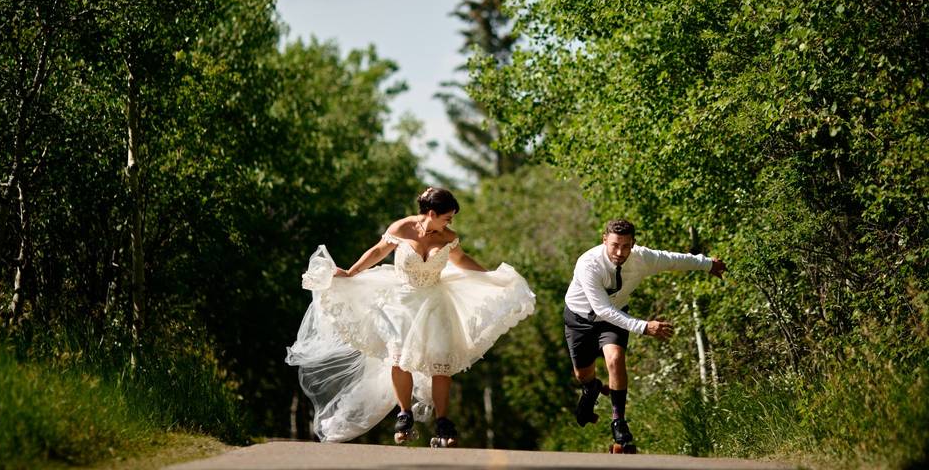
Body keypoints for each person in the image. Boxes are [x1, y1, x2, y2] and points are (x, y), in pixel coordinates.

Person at [286, 187, 535, 446]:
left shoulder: (449, 236)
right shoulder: (402, 229)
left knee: (441, 362)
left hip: (436, 303)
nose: (450, 222)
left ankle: (443, 420)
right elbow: (378, 251)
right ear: (430, 213)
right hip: (402, 302)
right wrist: (351, 272)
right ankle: (404, 413)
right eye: (446, 217)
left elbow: (462, 260)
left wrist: (489, 277)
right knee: (399, 358)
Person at [563, 218, 726, 451]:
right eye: (614, 245)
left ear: (633, 244)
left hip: (616, 316)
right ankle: (592, 387)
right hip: (580, 319)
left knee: (616, 359)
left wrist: (707, 264)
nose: (620, 252)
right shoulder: (588, 264)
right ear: (604, 241)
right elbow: (601, 309)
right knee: (583, 374)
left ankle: (618, 421)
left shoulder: (642, 257)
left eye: (626, 246)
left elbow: (672, 260)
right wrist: (643, 327)